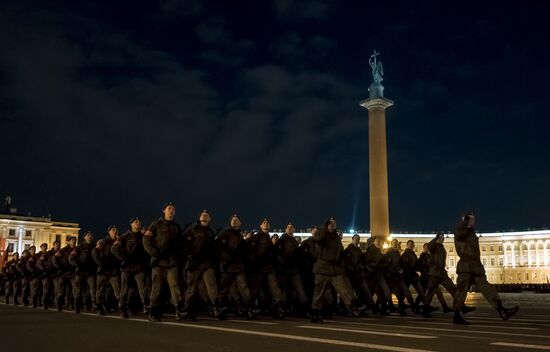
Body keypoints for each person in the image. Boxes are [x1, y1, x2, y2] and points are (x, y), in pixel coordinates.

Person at [452, 213, 519, 324]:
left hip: (476, 267)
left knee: (488, 289)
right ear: (467, 221)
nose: (474, 222)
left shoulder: (471, 233)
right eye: (472, 220)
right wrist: (466, 221)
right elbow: (459, 233)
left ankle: (501, 310)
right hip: (466, 265)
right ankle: (456, 316)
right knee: (461, 291)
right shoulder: (461, 231)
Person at [310, 217, 361, 323]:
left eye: (334, 223)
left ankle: (353, 306)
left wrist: (342, 266)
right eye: (331, 223)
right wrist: (325, 227)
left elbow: (340, 253)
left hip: (335, 269)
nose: (333, 225)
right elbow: (318, 239)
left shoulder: (336, 238)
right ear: (327, 224)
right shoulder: (322, 234)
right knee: (319, 293)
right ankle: (315, 313)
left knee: (345, 287)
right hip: (323, 268)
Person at [143, 202, 184, 322]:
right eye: (169, 208)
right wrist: (154, 253)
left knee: (175, 286)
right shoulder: (156, 224)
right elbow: (146, 240)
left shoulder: (176, 226)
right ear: (164, 211)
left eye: (173, 209)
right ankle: (153, 312)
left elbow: (180, 244)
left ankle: (178, 310)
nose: (171, 211)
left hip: (172, 262)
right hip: (159, 262)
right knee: (157, 288)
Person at [181, 210, 225, 320]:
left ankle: (215, 308)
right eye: (202, 214)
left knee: (212, 285)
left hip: (206, 263)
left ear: (210, 219)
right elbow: (183, 244)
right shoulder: (192, 229)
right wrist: (190, 255)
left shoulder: (210, 232)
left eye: (207, 215)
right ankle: (188, 309)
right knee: (191, 287)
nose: (204, 215)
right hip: (194, 263)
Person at [217, 214, 259, 319]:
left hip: (238, 266)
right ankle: (219, 308)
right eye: (233, 219)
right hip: (228, 266)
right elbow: (219, 249)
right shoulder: (225, 234)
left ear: (240, 223)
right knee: (224, 288)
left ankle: (248, 308)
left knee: (243, 287)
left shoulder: (240, 236)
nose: (234, 221)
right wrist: (227, 258)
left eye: (237, 220)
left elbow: (244, 251)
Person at [112, 218, 150, 319]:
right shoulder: (124, 237)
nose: (138, 223)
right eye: (135, 222)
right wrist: (124, 258)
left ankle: (146, 305)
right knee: (124, 290)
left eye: (139, 222)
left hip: (139, 267)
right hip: (127, 267)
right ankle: (122, 308)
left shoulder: (143, 236)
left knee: (142, 287)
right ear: (131, 225)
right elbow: (114, 249)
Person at [248, 218, 285, 319]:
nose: (266, 224)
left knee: (275, 289)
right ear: (260, 226)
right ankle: (251, 308)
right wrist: (254, 264)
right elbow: (251, 252)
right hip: (259, 267)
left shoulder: (268, 237)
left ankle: (278, 308)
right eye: (264, 223)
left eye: (268, 223)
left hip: (269, 267)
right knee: (256, 289)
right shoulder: (257, 237)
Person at [274, 222, 308, 316]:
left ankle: (303, 309)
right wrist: (283, 264)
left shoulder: (294, 242)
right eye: (288, 227)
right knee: (283, 291)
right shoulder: (281, 241)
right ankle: (281, 309)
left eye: (291, 227)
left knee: (299, 290)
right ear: (285, 230)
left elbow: (299, 256)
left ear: (294, 230)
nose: (289, 228)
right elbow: (277, 255)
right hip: (284, 270)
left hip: (294, 270)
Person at [422, 232, 458, 317]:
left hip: (441, 273)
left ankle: (460, 306)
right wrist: (436, 237)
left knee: (452, 288)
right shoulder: (434, 246)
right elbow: (430, 245)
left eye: (443, 237)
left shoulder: (442, 248)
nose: (443, 239)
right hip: (434, 273)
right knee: (430, 293)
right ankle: (425, 310)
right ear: (438, 238)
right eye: (441, 237)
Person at [343, 234, 376, 314]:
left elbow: (362, 260)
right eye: (356, 239)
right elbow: (346, 262)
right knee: (350, 292)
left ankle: (365, 307)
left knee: (362, 291)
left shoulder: (359, 249)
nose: (357, 240)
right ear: (352, 239)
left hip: (358, 274)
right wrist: (351, 269)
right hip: (351, 274)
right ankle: (347, 308)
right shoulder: (348, 249)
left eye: (358, 239)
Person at [92, 226, 121, 315]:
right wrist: (101, 264)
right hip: (104, 270)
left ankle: (122, 307)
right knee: (100, 290)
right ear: (109, 232)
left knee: (118, 290)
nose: (115, 231)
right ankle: (99, 307)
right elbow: (94, 252)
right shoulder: (103, 241)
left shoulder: (119, 241)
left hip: (114, 270)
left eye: (116, 230)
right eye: (113, 230)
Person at [70, 231, 97, 312]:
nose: (90, 236)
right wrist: (78, 265)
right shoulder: (79, 247)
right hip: (81, 272)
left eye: (91, 235)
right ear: (84, 237)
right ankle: (77, 305)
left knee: (92, 289)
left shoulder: (95, 246)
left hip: (91, 272)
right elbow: (71, 258)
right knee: (78, 290)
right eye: (88, 235)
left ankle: (93, 304)